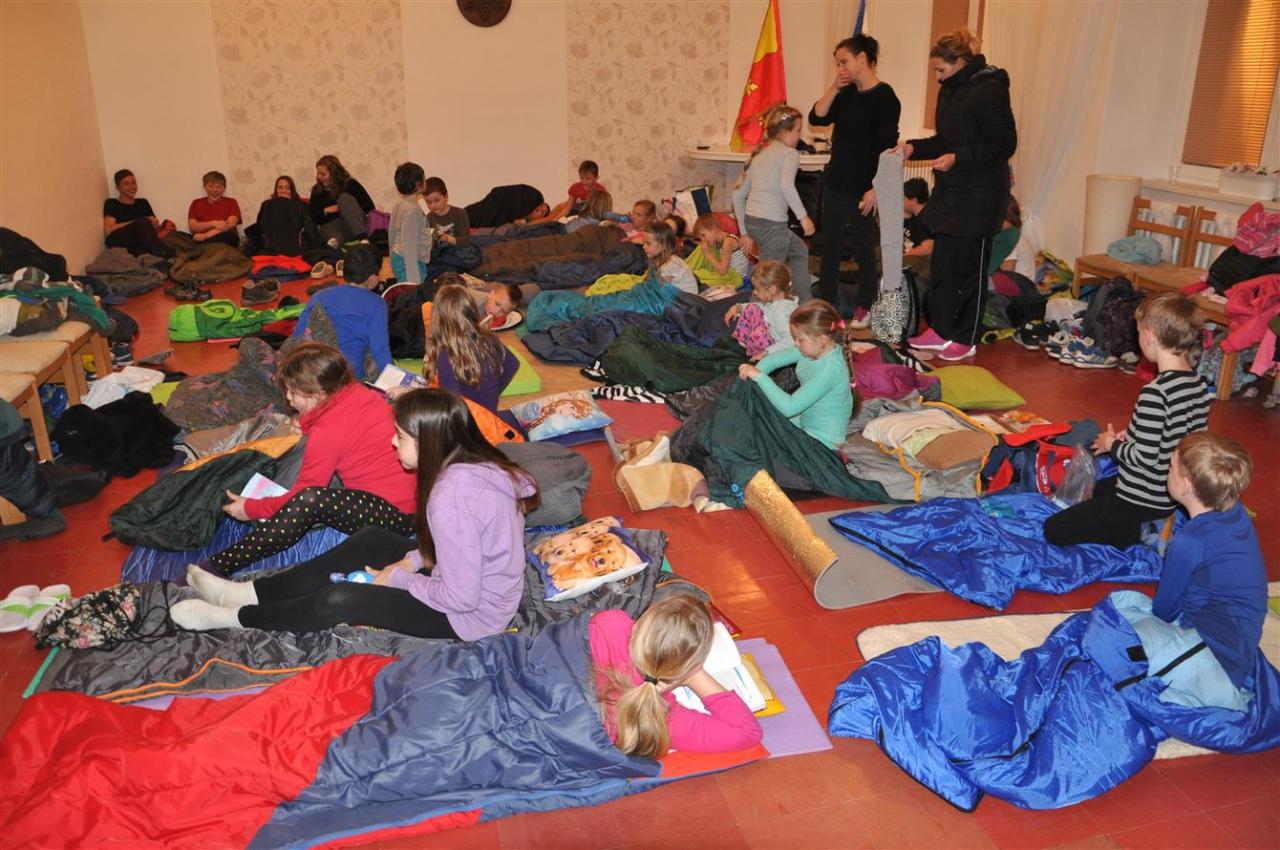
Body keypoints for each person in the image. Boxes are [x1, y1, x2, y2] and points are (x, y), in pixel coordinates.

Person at [175, 388, 539, 639]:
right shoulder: (475, 465)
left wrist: (399, 579)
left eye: (400, 436)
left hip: (469, 618)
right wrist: (411, 561)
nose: (392, 442)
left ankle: (235, 616)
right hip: (465, 584)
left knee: (339, 600)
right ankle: (247, 593)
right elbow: (462, 549)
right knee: (372, 540)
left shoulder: (451, 499)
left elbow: (461, 598)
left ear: (429, 442)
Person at [208, 343, 416, 575]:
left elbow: (302, 495)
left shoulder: (326, 433)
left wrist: (252, 508)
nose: (288, 399)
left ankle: (221, 564)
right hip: (411, 502)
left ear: (317, 394)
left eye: (292, 392)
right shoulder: (357, 391)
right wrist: (306, 423)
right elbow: (342, 426)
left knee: (308, 501)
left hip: (396, 517)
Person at [1044, 293, 1211, 549]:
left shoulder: (1156, 392)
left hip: (1141, 499)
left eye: (1138, 332)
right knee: (1095, 490)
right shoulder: (1197, 385)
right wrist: (1133, 435)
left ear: (1150, 336)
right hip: (1167, 493)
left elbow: (1144, 458)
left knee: (1054, 529)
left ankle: (1137, 531)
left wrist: (1111, 444)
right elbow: (1186, 439)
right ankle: (1143, 522)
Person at [902, 29, 1017, 361]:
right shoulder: (950, 91)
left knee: (969, 271)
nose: (937, 77)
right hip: (952, 195)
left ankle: (965, 338)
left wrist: (959, 158)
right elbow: (944, 141)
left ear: (960, 62)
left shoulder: (990, 88)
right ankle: (941, 330)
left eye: (940, 70)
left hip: (981, 198)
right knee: (944, 267)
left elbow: (1004, 144)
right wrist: (912, 148)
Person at [1150, 431, 1266, 706]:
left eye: (1171, 467)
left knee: (1118, 620)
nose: (1167, 471)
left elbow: (1163, 612)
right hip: (1239, 651)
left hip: (1208, 664)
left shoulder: (1190, 542)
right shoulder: (1236, 513)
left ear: (1186, 485)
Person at [593, 595, 764, 757]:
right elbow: (747, 733)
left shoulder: (609, 622)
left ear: (640, 626)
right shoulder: (660, 720)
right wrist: (693, 676)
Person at [809, 34, 902, 326]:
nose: (841, 68)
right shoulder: (846, 92)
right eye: (838, 64)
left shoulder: (885, 97)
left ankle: (866, 305)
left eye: (844, 61)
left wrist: (876, 188)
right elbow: (817, 117)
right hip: (836, 182)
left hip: (864, 187)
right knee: (830, 246)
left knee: (864, 248)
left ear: (862, 58)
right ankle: (825, 306)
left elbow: (887, 148)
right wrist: (834, 87)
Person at [737, 298, 853, 450]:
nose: (796, 343)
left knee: (761, 444)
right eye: (795, 338)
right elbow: (773, 360)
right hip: (806, 421)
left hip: (823, 441)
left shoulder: (830, 370)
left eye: (800, 339)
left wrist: (759, 377)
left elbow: (790, 407)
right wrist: (752, 375)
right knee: (759, 425)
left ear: (822, 339)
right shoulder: (814, 349)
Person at [731, 104, 815, 302]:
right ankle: (752, 317)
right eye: (798, 131)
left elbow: (737, 195)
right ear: (785, 133)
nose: (799, 136)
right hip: (772, 227)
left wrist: (744, 232)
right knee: (767, 279)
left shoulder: (760, 154)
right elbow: (787, 186)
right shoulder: (789, 154)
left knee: (800, 251)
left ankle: (804, 302)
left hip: (754, 223)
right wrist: (803, 217)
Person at [293, 245, 391, 376]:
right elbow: (380, 350)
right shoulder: (377, 304)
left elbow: (298, 335)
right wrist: (395, 377)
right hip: (350, 376)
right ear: (373, 279)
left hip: (315, 373)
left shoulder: (319, 296)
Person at [424, 283, 519, 412]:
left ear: (439, 319)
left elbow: (451, 409)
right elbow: (513, 363)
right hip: (486, 415)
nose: (497, 312)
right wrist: (492, 395)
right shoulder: (489, 338)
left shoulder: (446, 357)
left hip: (467, 420)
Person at [725, 259, 798, 360]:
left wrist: (767, 352)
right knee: (752, 308)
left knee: (757, 331)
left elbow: (791, 341)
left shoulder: (780, 311)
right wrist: (738, 307)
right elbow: (761, 306)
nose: (754, 292)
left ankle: (749, 349)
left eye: (757, 289)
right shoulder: (776, 302)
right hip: (771, 340)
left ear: (772, 289)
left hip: (776, 348)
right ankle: (743, 343)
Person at [102, 169, 172, 257]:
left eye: (133, 182)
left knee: (143, 248)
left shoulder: (142, 203)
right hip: (120, 240)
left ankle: (158, 255)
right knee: (143, 222)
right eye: (126, 183)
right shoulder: (112, 203)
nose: (132, 186)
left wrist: (156, 224)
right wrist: (138, 222)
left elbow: (154, 229)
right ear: (118, 187)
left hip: (138, 242)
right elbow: (108, 230)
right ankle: (163, 253)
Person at [309, 154, 375, 246]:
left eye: (323, 174)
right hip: (332, 227)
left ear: (334, 173)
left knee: (344, 198)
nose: (319, 177)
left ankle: (363, 240)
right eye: (318, 174)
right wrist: (326, 210)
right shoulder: (317, 191)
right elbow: (312, 217)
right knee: (333, 237)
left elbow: (369, 207)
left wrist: (343, 207)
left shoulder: (350, 184)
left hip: (353, 225)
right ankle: (332, 247)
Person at [250, 175, 318, 256]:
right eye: (280, 188)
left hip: (293, 248)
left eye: (287, 188)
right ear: (276, 190)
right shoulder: (267, 205)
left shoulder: (301, 206)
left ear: (292, 191)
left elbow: (310, 229)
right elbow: (261, 226)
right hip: (270, 248)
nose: (283, 191)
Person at [390, 162, 431, 284]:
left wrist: (392, 257)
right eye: (424, 178)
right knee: (410, 292)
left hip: (399, 257)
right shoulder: (413, 211)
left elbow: (391, 234)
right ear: (418, 184)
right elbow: (409, 246)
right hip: (411, 261)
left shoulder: (399, 204)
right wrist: (414, 282)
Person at [690, 213, 749, 288]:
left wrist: (708, 254)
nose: (703, 239)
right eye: (701, 238)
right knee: (701, 248)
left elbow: (723, 271)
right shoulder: (718, 241)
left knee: (702, 275)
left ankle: (691, 274)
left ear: (714, 229)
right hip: (728, 273)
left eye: (703, 235)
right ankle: (688, 270)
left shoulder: (727, 242)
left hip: (736, 278)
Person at [187, 171, 242, 247]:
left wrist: (205, 236)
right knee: (176, 235)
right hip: (199, 238)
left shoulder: (231, 202)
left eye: (218, 187)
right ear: (205, 187)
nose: (214, 190)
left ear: (224, 188)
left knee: (229, 235)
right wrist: (213, 223)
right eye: (211, 186)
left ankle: (203, 246)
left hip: (223, 238)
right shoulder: (196, 203)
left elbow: (229, 225)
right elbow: (192, 228)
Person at [641, 220, 698, 295]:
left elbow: (658, 291)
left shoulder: (671, 264)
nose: (644, 247)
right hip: (675, 297)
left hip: (685, 300)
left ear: (663, 244)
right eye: (643, 243)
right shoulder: (658, 259)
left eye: (648, 244)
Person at [903, 177, 934, 291]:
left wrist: (903, 256)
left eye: (904, 198)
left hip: (925, 263)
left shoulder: (926, 218)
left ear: (913, 200)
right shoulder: (914, 217)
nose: (901, 201)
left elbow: (928, 248)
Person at [423, 176, 473, 248]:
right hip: (439, 253)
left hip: (458, 252)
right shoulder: (429, 217)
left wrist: (448, 239)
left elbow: (466, 241)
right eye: (428, 202)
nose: (433, 205)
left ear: (446, 197)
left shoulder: (460, 214)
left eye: (437, 200)